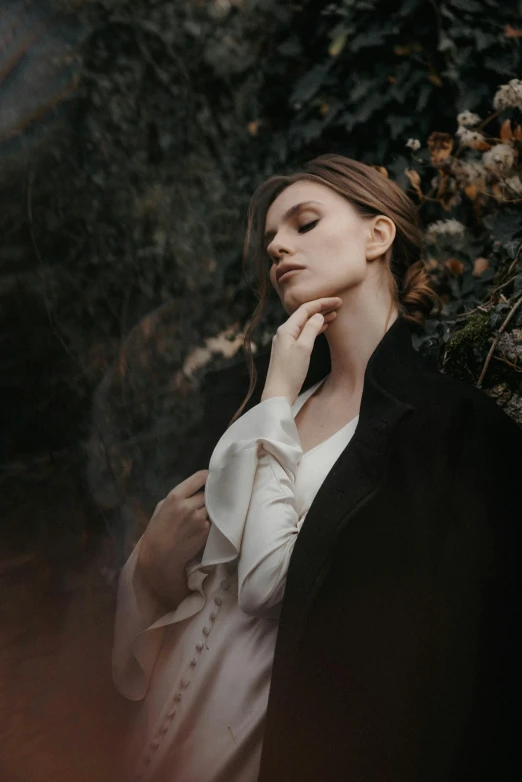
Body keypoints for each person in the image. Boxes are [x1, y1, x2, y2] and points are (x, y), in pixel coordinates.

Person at [112, 154, 522, 782]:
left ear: (377, 236)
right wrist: (148, 571)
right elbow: (208, 598)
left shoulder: (447, 428)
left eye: (303, 223)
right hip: (169, 729)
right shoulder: (251, 409)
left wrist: (277, 394)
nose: (276, 245)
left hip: (272, 748)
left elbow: (273, 590)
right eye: (271, 238)